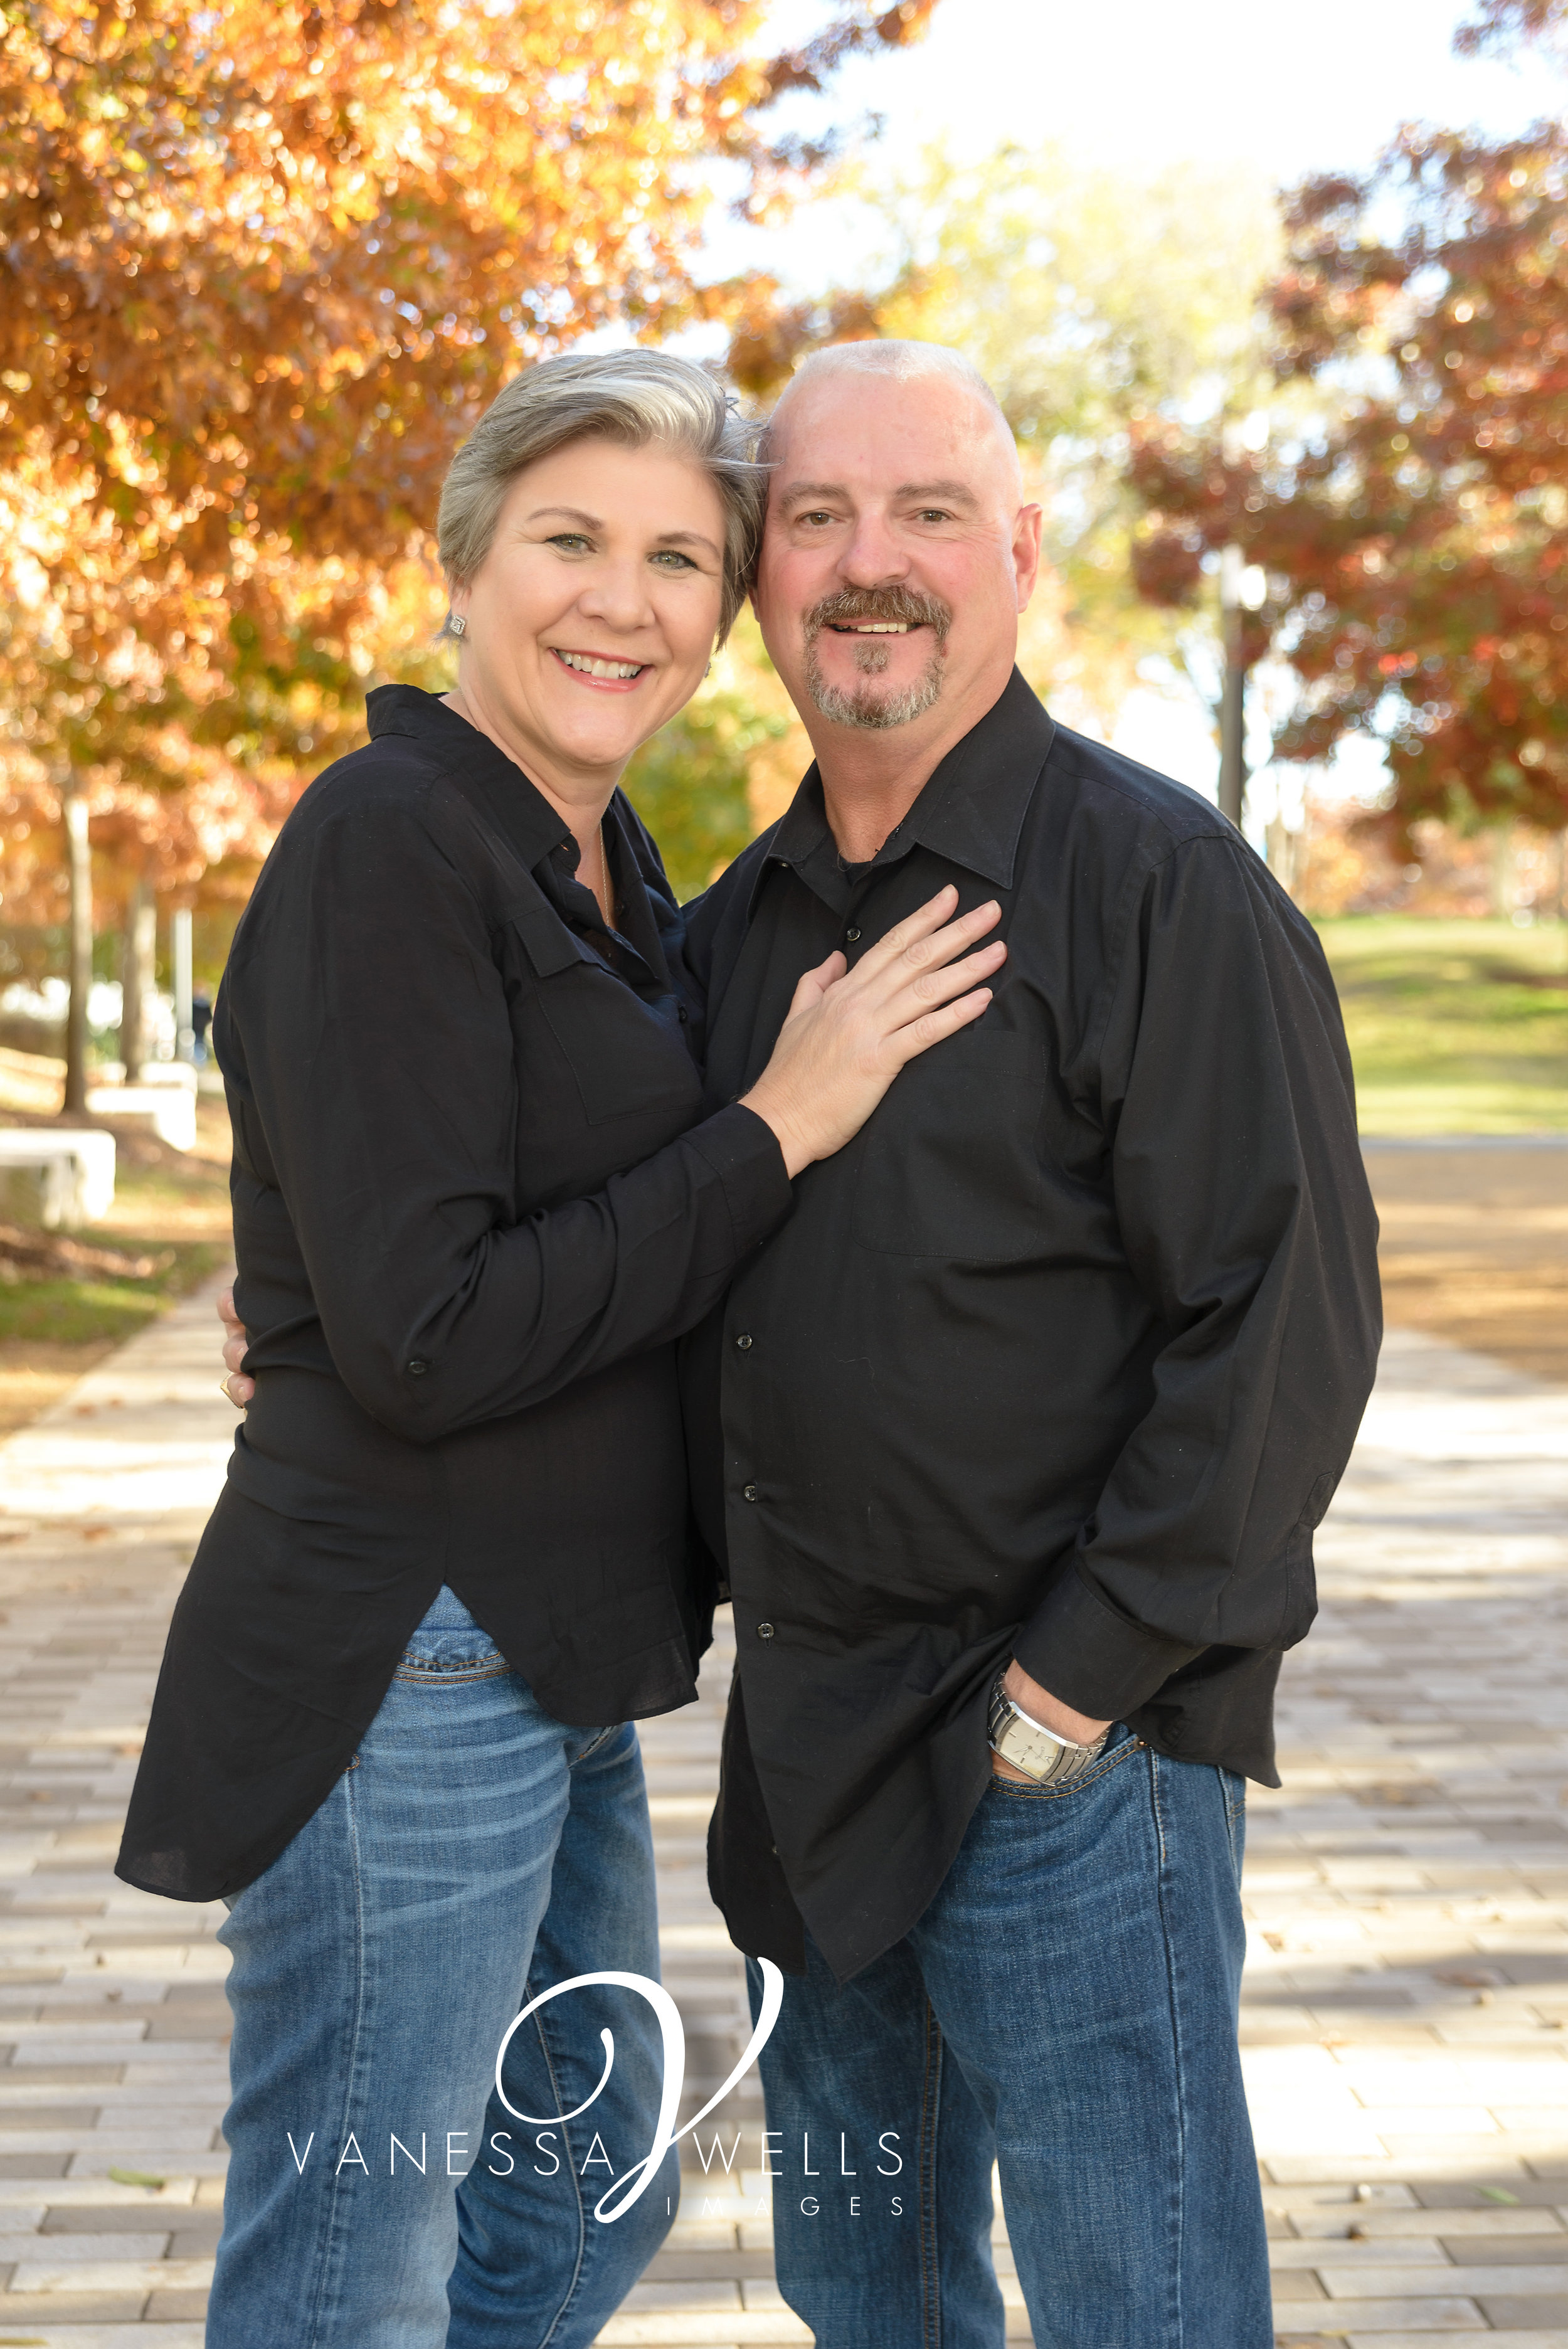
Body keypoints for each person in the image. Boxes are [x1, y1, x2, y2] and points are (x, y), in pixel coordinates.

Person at [119, 347, 1007, 2349]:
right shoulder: (391, 839)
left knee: (578, 2197)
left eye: (680, 557)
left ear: (728, 609)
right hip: (403, 1651)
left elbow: (484, 1238)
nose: (625, 599)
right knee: (353, 2256)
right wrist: (782, 1116)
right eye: (572, 541)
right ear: (467, 562)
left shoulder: (596, 867)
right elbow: (429, 1329)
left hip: (543, 1641)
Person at [674, 341, 1382, 2349]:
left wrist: (1064, 1694)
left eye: (920, 514)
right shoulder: (733, 931)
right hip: (808, 1749)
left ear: (1019, 549)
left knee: (1135, 2304)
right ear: (757, 568)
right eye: (812, 516)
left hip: (1070, 1751)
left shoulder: (1164, 888)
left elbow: (1286, 1317)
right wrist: (306, 1317)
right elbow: (622, 1240)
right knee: (863, 2290)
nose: (866, 564)